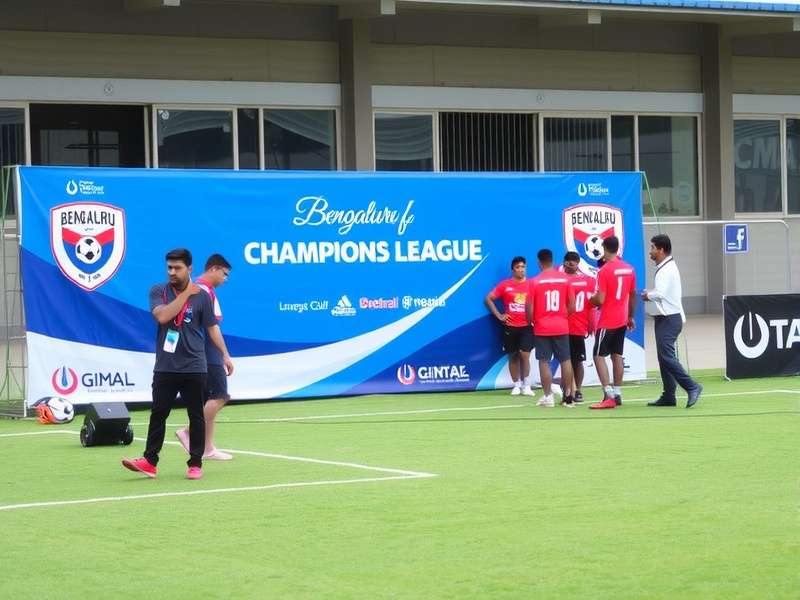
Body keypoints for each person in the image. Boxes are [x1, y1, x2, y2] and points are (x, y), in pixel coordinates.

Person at [122, 248, 234, 480]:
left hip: (195, 365)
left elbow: (212, 327)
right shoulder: (158, 291)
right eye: (169, 268)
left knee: (196, 416)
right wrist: (185, 295)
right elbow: (163, 316)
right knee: (158, 414)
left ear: (189, 269)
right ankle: (150, 462)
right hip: (165, 365)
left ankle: (195, 463)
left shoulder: (203, 296)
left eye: (177, 268)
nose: (172, 272)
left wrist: (225, 354)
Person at [176, 254, 234, 459]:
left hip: (198, 352)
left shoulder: (197, 288)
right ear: (214, 269)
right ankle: (188, 432)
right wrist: (225, 355)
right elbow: (212, 328)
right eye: (225, 274)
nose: (225, 279)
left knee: (210, 399)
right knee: (220, 397)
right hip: (206, 352)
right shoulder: (202, 290)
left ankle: (207, 448)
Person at [642, 234, 703, 408]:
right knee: (664, 357)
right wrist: (651, 294)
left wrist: (648, 295)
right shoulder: (666, 267)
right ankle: (669, 395)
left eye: (653, 247)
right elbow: (663, 292)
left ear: (661, 250)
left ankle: (692, 386)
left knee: (667, 357)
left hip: (670, 318)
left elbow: (660, 293)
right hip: (666, 317)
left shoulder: (666, 269)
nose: (650, 251)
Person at [588, 236, 636, 410]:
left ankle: (608, 395)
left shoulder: (604, 271)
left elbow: (600, 299)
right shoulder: (629, 269)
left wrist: (590, 300)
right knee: (617, 355)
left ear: (604, 248)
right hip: (622, 319)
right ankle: (617, 393)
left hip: (607, 320)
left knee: (598, 355)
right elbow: (632, 295)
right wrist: (630, 316)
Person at [527, 249, 575, 407]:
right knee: (565, 360)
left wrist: (531, 321)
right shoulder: (565, 279)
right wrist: (561, 316)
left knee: (544, 361)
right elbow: (572, 306)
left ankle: (548, 396)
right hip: (561, 325)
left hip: (542, 326)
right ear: (552, 260)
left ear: (539, 262)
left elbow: (529, 307)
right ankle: (568, 396)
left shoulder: (534, 281)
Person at [485, 256, 534, 396]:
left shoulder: (532, 284)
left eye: (523, 267)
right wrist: (499, 315)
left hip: (527, 326)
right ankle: (517, 385)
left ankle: (527, 385)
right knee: (513, 356)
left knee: (525, 355)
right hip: (510, 326)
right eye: (518, 267)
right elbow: (488, 299)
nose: (521, 270)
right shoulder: (505, 285)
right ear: (513, 270)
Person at [562, 251, 596, 404]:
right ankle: (568, 390)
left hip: (578, 325)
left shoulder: (588, 281)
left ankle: (578, 390)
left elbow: (591, 305)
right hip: (562, 326)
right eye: (568, 261)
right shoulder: (559, 280)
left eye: (573, 261)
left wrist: (591, 323)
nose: (570, 264)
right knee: (565, 360)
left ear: (578, 263)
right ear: (563, 262)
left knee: (578, 361)